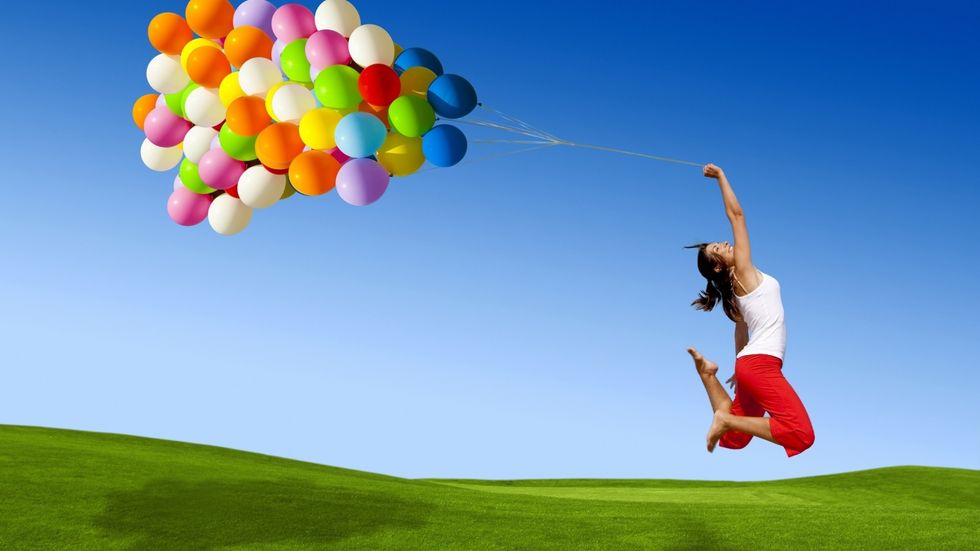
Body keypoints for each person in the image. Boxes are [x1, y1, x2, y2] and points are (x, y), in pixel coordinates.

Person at [685, 164, 815, 457]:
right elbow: (737, 216)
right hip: (760, 365)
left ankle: (708, 375)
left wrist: (738, 367)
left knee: (736, 438)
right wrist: (720, 177)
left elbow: (740, 328)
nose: (726, 243)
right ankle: (725, 418)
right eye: (719, 248)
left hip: (749, 364)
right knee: (801, 434)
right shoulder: (741, 272)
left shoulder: (733, 292)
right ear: (719, 265)